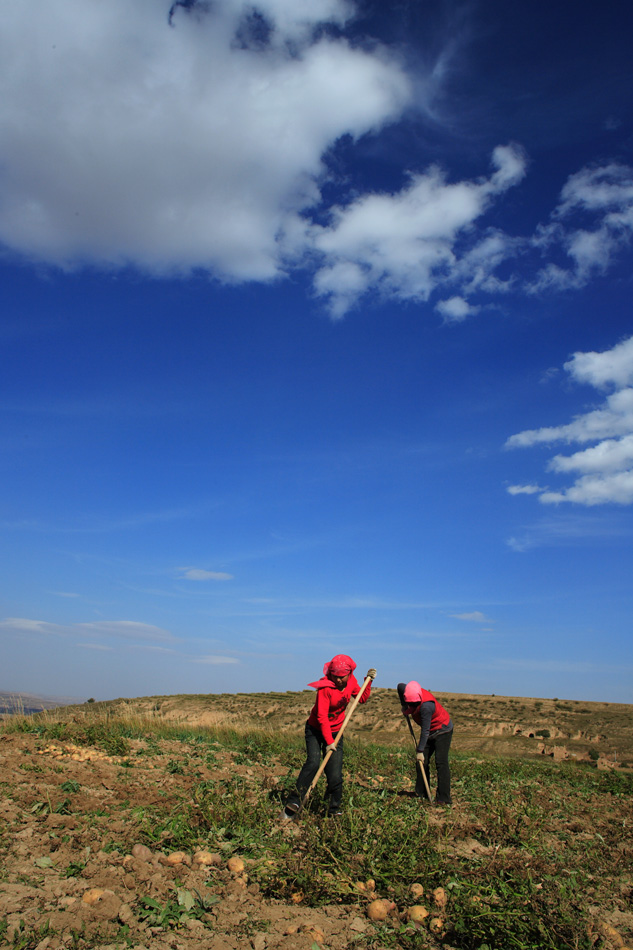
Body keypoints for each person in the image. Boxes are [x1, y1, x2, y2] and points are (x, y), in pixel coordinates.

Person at [284, 656, 376, 817]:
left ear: (349, 673)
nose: (339, 680)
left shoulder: (352, 683)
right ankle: (295, 801)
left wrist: (367, 683)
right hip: (315, 730)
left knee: (334, 773)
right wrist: (329, 742)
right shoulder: (325, 688)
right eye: (335, 676)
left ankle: (333, 809)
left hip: (336, 732)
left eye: (342, 676)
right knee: (313, 762)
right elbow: (321, 717)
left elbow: (361, 698)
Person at [397, 680, 453, 805]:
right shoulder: (406, 690)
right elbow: (400, 686)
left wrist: (420, 751)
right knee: (422, 763)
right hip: (429, 731)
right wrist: (403, 705)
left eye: (414, 705)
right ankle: (421, 793)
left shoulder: (427, 706)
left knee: (441, 762)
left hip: (442, 730)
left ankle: (444, 798)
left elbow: (425, 731)